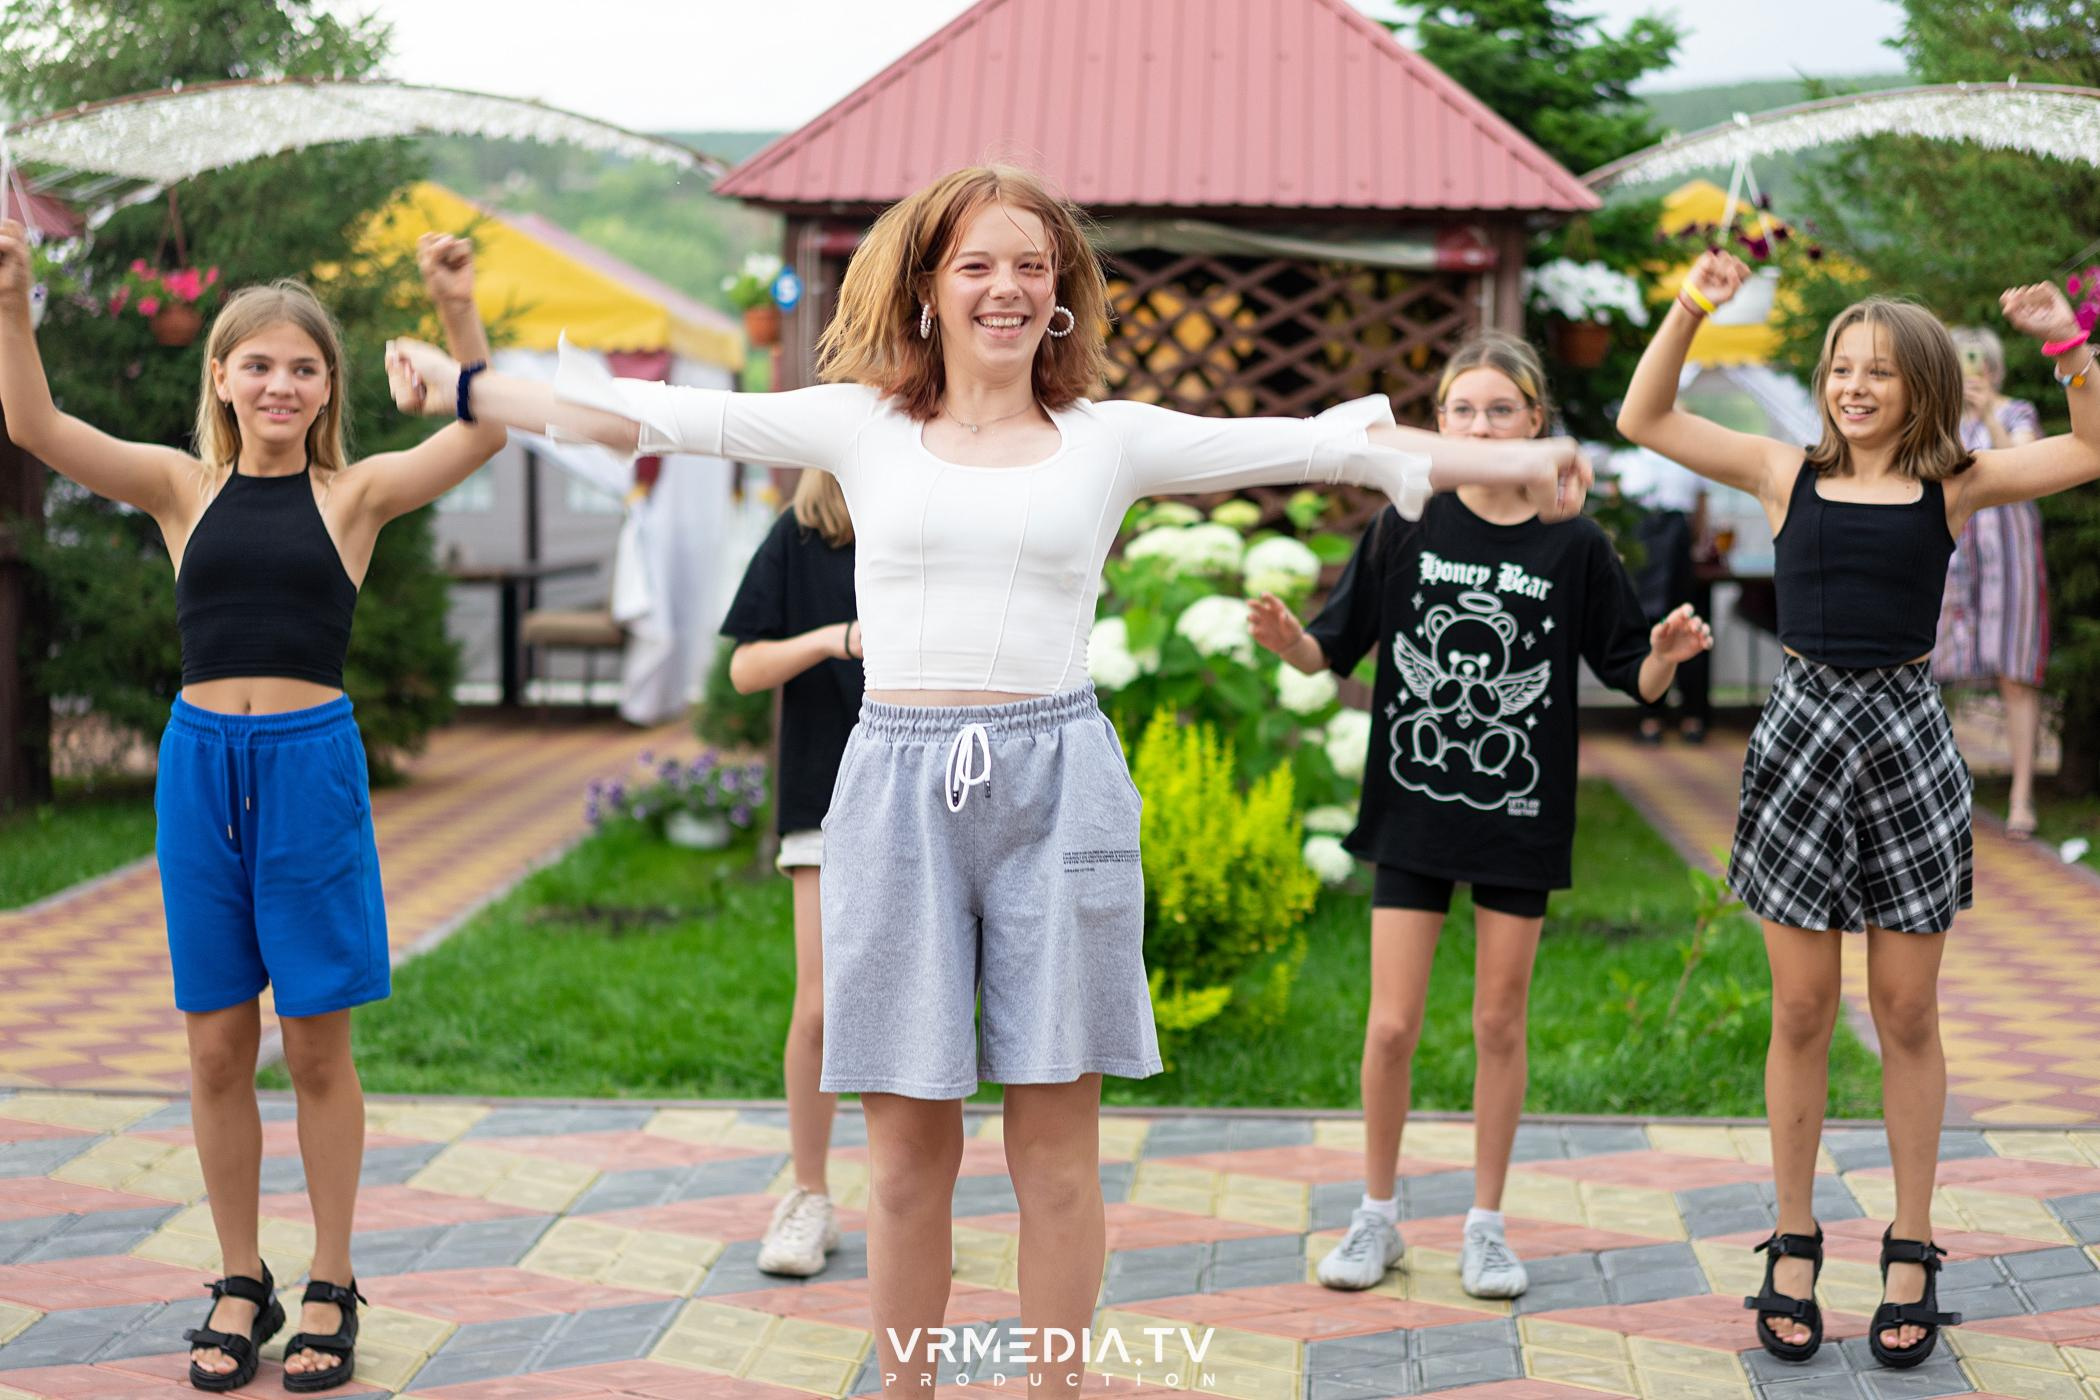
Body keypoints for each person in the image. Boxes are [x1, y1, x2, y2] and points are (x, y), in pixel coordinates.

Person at [380, 164, 1594, 1395]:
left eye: (1031, 265)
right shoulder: (861, 424)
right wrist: (472, 382)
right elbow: (665, 422)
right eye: (977, 264)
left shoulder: (1107, 438)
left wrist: (1531, 453)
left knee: (1057, 1158)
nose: (1006, 288)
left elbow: (1326, 439)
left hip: (1058, 784)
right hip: (895, 791)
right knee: (908, 1158)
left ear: (1060, 293)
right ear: (926, 289)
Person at [0, 223, 505, 1393]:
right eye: (257, 363)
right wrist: (15, 301)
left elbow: (482, 427)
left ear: (328, 388)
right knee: (217, 1044)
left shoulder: (357, 494)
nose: (279, 383)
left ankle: (331, 1277)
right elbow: (35, 426)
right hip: (198, 774)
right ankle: (242, 1274)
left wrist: (457, 313)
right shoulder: (184, 489)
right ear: (219, 376)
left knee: (316, 1046)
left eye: (304, 366)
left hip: (308, 773)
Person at [1617, 249, 2098, 1370]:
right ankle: (1792, 1239)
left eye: (1880, 371)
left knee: (1907, 1012)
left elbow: (2089, 446)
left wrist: (2065, 343)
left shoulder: (1955, 484)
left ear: (1921, 384)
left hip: (1908, 745)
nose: (1856, 386)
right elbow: (1646, 415)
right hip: (1800, 737)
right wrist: (1693, 304)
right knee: (1800, 1012)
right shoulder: (1784, 470)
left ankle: (1913, 1247)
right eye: (1842, 366)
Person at [1250, 331, 1710, 1301]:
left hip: (1518, 815)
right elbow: (1332, 651)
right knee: (1390, 1024)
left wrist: (1667, 651)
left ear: (1534, 424)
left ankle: (1486, 1225)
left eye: (1500, 410)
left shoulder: (1574, 543)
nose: (1479, 425)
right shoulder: (1405, 523)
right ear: (1441, 425)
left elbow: (1631, 668)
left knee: (1501, 1019)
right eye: (1462, 411)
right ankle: (1376, 1213)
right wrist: (1292, 639)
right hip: (1412, 809)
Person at [720, 468, 861, 1276]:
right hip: (827, 796)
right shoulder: (802, 533)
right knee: (820, 1010)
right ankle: (809, 1194)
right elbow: (746, 669)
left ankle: (915, 1208)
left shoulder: (944, 511)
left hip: (941, 794)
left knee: (922, 1008)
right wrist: (836, 639)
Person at [1935, 325, 2049, 838]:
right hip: (1952, 561)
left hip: (2012, 564)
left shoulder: (2015, 412)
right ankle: (1937, 793)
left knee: (2015, 675)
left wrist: (1987, 419)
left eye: (1976, 361)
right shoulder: (1941, 423)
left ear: (1993, 367)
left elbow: (2029, 468)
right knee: (1934, 671)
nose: (1970, 370)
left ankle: (2022, 797)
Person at [1616, 445, 1715, 744]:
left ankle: (1692, 713)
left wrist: (1696, 546)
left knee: (1686, 623)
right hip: (1640, 534)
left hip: (1675, 538)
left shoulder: (1688, 447)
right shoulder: (1626, 450)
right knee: (1645, 628)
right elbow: (1616, 501)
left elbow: (1700, 508)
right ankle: (1651, 716)